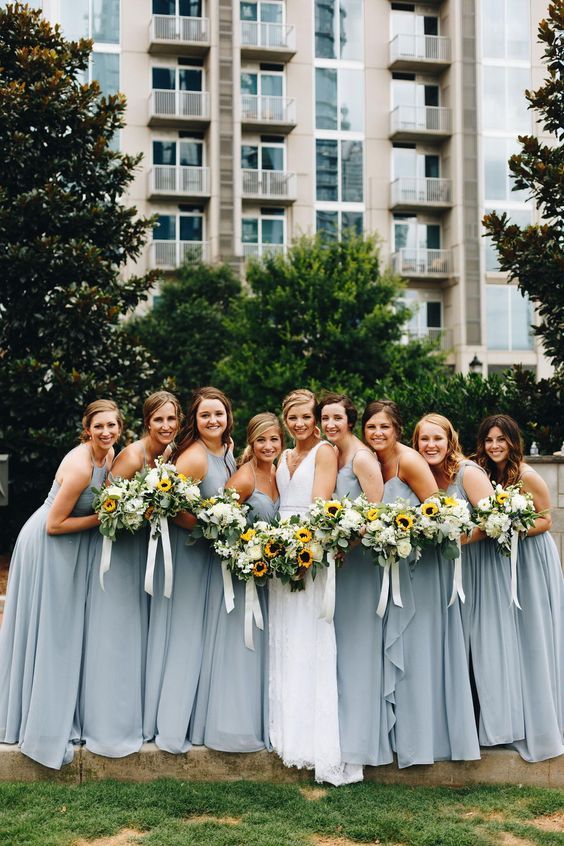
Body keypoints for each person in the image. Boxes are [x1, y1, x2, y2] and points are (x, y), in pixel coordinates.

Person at [0, 400, 122, 769]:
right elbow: (54, 523)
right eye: (98, 426)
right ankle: (37, 723)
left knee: (66, 632)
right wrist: (103, 519)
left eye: (112, 426)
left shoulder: (110, 454)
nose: (105, 433)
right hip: (48, 545)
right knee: (52, 633)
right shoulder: (81, 465)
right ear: (87, 429)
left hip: (71, 547)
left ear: (119, 428)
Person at [362, 400, 479, 768]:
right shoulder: (373, 460)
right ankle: (403, 738)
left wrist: (407, 532)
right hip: (392, 570)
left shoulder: (409, 461)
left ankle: (428, 740)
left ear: (396, 429)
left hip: (425, 569)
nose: (377, 433)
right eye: (371, 427)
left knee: (421, 650)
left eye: (384, 427)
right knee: (405, 653)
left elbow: (437, 514)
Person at [80, 391, 182, 758]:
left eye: (171, 419)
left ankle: (136, 716)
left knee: (137, 636)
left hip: (144, 553)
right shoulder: (133, 455)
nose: (166, 426)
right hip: (120, 553)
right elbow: (104, 505)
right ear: (146, 422)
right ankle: (107, 723)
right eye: (159, 420)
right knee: (116, 634)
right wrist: (136, 512)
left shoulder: (167, 455)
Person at [414, 413, 524, 748]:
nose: (430, 445)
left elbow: (498, 519)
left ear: (450, 441)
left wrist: (463, 537)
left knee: (481, 645)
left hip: (478, 569)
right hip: (444, 573)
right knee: (452, 648)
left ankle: (493, 729)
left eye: (437, 439)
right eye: (424, 439)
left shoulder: (468, 473)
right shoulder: (420, 474)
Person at [269, 389, 361, 785]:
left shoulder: (326, 452)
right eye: (293, 417)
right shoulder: (282, 455)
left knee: (309, 638)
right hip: (278, 553)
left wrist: (303, 553)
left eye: (307, 416)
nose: (300, 423)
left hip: (307, 553)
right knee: (284, 638)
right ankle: (285, 732)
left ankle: (313, 740)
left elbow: (320, 505)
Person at [143, 387, 236, 753]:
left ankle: (197, 718)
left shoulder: (226, 453)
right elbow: (167, 507)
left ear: (228, 416)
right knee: (185, 636)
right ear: (194, 422)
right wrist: (207, 526)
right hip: (189, 556)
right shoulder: (194, 457)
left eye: (219, 414)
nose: (213, 421)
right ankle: (172, 725)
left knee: (202, 637)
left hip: (209, 557)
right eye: (205, 416)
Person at [192, 412, 282, 752]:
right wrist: (245, 553)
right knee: (238, 649)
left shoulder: (278, 474)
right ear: (252, 442)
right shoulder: (244, 478)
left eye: (274, 439)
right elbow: (218, 523)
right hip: (241, 575)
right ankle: (232, 727)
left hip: (267, 579)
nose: (268, 446)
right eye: (261, 440)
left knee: (260, 650)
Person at [476, 414, 564, 762]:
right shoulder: (488, 474)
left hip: (529, 560)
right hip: (503, 560)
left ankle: (540, 722)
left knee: (531, 635)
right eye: (488, 440)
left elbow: (546, 520)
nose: (494, 446)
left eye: (501, 439)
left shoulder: (526, 474)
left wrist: (510, 529)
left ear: (513, 441)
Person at [319, 393, 392, 767]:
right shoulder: (333, 454)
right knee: (342, 653)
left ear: (349, 420)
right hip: (341, 566)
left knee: (360, 652)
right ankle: (341, 738)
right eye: (325, 418)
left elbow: (377, 515)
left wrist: (345, 536)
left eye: (337, 417)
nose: (330, 424)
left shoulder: (362, 458)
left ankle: (362, 746)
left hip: (361, 566)